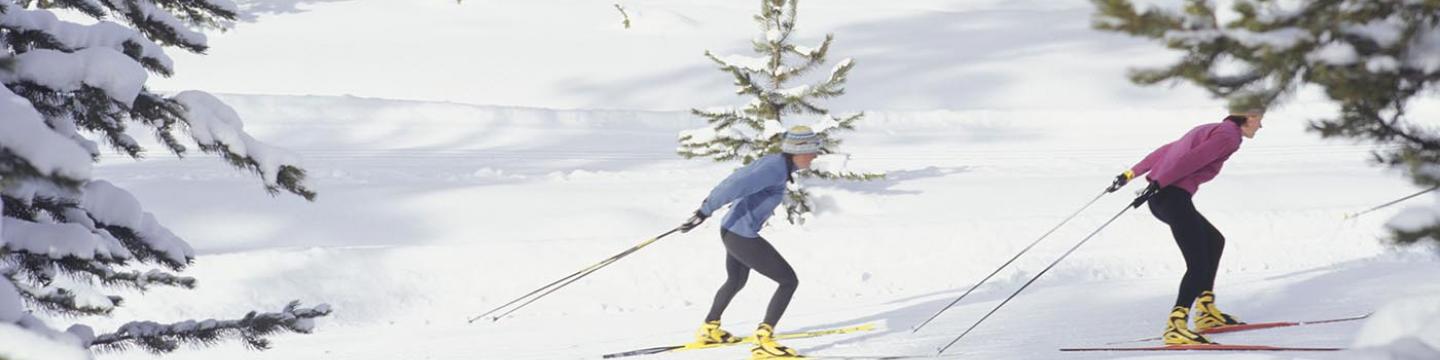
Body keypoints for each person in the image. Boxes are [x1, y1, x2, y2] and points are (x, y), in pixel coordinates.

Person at [1107, 109, 1264, 345]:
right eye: (1260, 120)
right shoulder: (1229, 136)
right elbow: (1194, 159)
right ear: (1249, 117)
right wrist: (1160, 182)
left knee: (1214, 241)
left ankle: (1207, 311)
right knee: (1198, 265)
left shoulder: (1209, 128)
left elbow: (1167, 151)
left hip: (1164, 197)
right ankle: (1176, 326)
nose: (1260, 127)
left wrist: (1130, 174)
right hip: (1171, 196)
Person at [678, 126, 821, 359]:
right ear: (798, 151)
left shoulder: (778, 164)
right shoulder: (774, 168)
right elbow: (734, 184)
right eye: (812, 151)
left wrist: (705, 211)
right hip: (740, 236)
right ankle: (764, 340)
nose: (815, 156)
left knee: (735, 280)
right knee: (788, 281)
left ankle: (709, 328)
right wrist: (705, 210)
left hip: (732, 229)